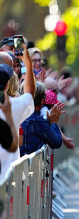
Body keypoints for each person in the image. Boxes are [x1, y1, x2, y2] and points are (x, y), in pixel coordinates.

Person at [0, 43, 35, 183]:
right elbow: (30, 95)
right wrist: (28, 62)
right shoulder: (14, 106)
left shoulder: (15, 105)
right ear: (8, 82)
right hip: (9, 181)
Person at [20, 82, 63, 156]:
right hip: (29, 166)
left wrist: (49, 121)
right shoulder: (36, 121)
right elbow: (56, 142)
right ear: (42, 100)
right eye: (44, 97)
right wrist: (54, 122)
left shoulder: (18, 114)